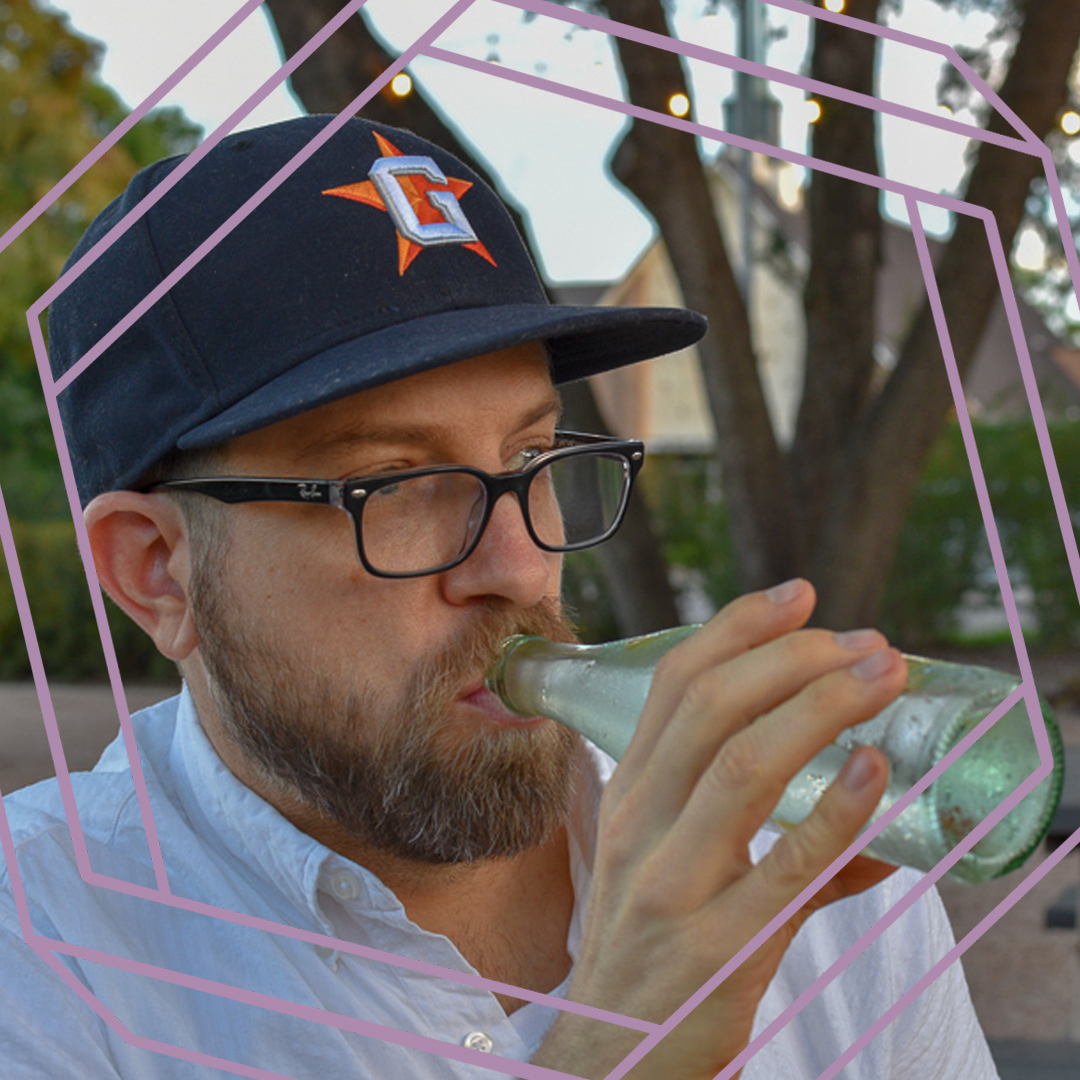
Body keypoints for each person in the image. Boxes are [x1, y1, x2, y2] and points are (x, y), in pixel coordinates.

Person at [0, 114, 997, 1079]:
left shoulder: (794, 851)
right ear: (156, 569)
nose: (520, 567)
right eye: (391, 486)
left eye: (531, 456)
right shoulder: (42, 958)